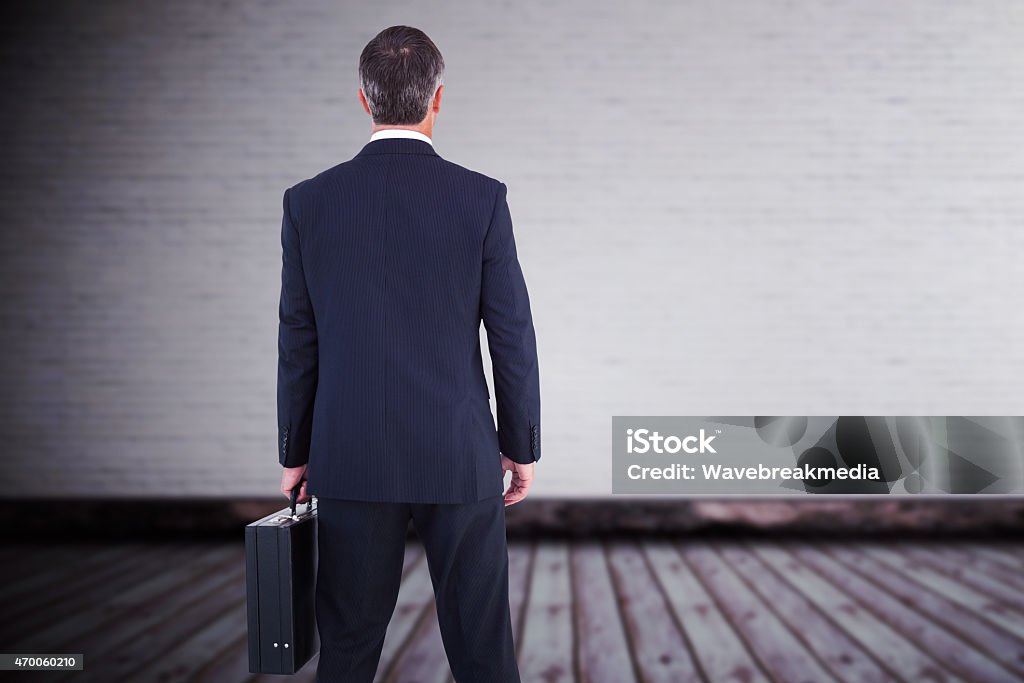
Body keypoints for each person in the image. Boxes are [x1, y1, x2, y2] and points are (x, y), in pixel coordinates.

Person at [275, 25, 541, 683]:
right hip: (458, 450)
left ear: (364, 101)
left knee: (348, 647)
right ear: (438, 99)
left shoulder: (308, 203)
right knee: (483, 649)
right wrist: (520, 443)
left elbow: (298, 337)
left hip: (350, 452)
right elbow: (510, 331)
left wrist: (295, 451)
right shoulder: (482, 198)